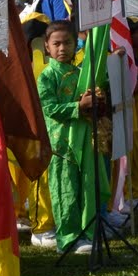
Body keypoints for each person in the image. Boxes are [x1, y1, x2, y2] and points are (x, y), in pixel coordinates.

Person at [37, 21, 102, 255]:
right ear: (47, 46)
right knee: (64, 189)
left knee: (85, 186)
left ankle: (87, 230)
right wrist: (79, 105)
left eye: (67, 43)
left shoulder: (79, 74)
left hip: (82, 139)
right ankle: (67, 237)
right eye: (56, 43)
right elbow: (50, 108)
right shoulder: (46, 76)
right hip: (60, 143)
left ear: (76, 45)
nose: (62, 48)